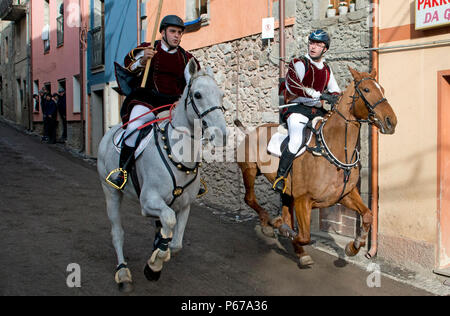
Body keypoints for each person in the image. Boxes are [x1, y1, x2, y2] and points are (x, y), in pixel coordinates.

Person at [107, 15, 200, 190]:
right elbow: (130, 69)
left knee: (193, 132)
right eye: (173, 31)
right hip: (148, 100)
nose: (176, 36)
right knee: (134, 128)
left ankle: (194, 177)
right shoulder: (148, 49)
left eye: (179, 33)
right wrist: (142, 61)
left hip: (173, 105)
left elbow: (192, 83)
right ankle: (122, 172)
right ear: (163, 32)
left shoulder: (186, 58)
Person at [273, 29, 341, 194]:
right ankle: (280, 177)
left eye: (318, 44)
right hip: (297, 109)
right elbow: (296, 87)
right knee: (296, 140)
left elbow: (335, 90)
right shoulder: (299, 63)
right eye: (312, 43)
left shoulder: (326, 69)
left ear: (325, 49)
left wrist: (334, 98)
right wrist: (321, 95)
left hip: (316, 111)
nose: (313, 47)